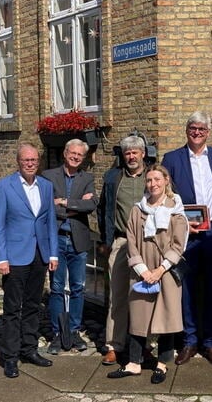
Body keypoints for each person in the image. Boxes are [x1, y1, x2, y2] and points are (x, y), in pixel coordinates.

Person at [162, 111, 212, 366]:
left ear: (208, 132)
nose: (197, 132)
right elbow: (166, 197)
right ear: (186, 130)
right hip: (187, 235)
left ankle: (210, 342)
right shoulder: (171, 159)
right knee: (187, 289)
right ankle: (190, 341)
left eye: (202, 129)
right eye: (193, 128)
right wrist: (180, 224)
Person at [107, 165, 188, 384]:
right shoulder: (137, 209)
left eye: (157, 179)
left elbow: (178, 245)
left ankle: (161, 364)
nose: (153, 184)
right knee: (138, 317)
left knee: (166, 318)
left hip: (166, 271)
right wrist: (144, 271)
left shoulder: (176, 209)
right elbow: (131, 241)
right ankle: (134, 363)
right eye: (149, 180)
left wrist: (160, 270)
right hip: (141, 271)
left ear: (166, 180)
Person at [0, 143, 59, 378]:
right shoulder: (4, 186)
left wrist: (53, 253)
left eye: (33, 160)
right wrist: (0, 257)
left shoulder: (46, 186)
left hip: (39, 255)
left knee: (33, 306)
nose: (30, 164)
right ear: (18, 162)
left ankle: (29, 349)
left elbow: (50, 221)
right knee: (12, 309)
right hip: (15, 257)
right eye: (25, 160)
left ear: (38, 162)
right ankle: (9, 357)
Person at [42, 139, 98, 354]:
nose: (75, 157)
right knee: (56, 288)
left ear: (83, 158)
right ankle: (58, 332)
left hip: (78, 240)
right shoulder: (48, 176)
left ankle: (73, 330)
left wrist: (63, 202)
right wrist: (76, 204)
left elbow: (91, 205)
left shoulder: (87, 178)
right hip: (56, 239)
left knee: (78, 287)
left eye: (80, 155)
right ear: (65, 153)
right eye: (72, 153)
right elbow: (45, 207)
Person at [98, 135, 148, 365]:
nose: (131, 156)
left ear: (143, 154)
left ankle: (145, 344)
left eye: (135, 152)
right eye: (127, 153)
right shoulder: (113, 178)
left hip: (148, 244)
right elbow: (103, 209)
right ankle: (114, 345)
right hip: (120, 242)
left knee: (144, 296)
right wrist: (105, 239)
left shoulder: (154, 177)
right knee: (117, 296)